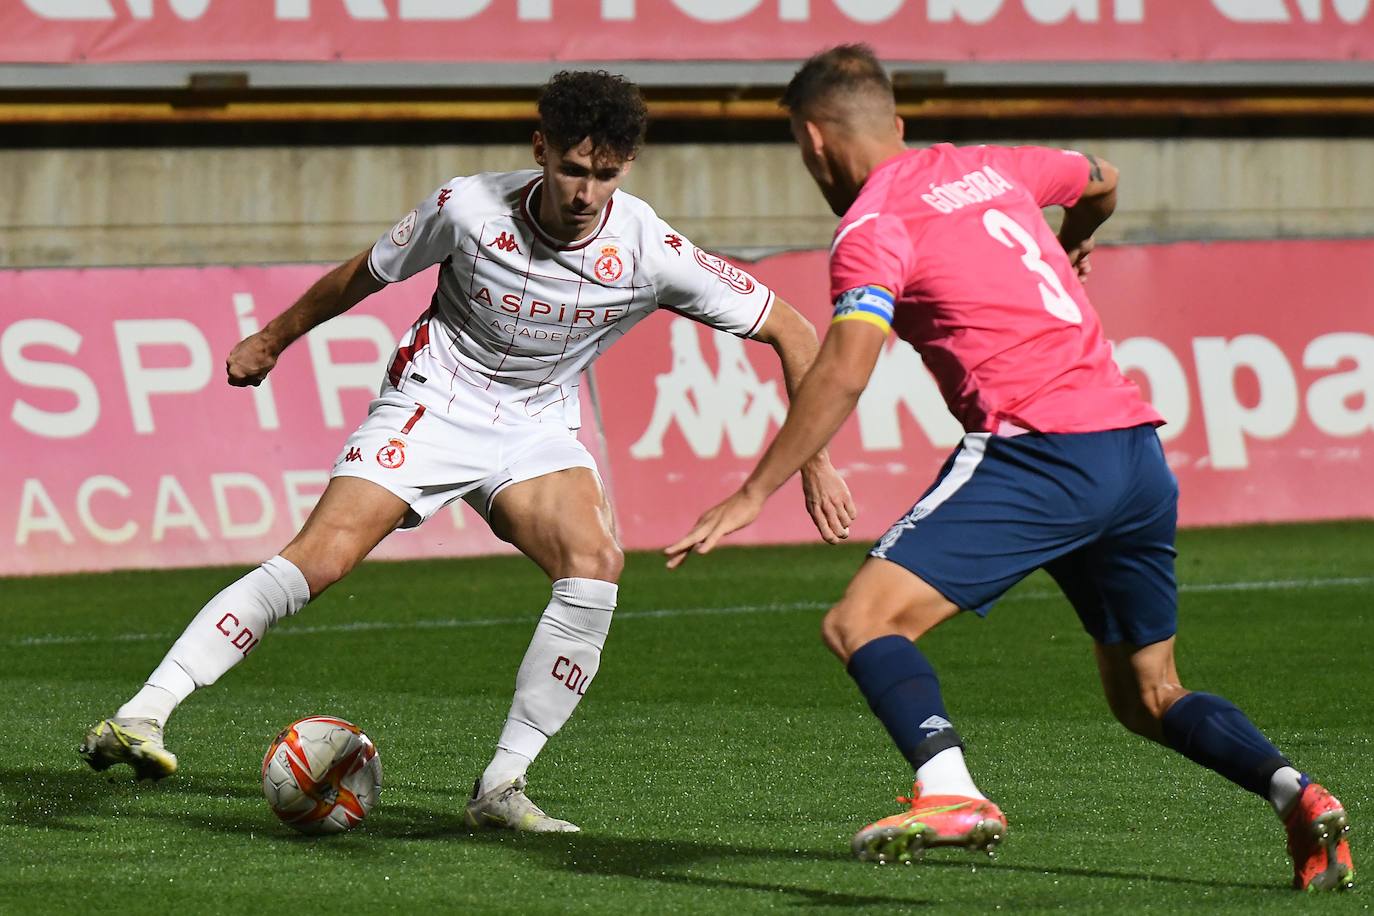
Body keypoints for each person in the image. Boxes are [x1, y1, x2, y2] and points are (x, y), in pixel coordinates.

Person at [80, 69, 853, 833]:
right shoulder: (468, 206)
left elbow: (792, 328)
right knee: (317, 559)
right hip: (432, 403)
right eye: (572, 169)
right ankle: (142, 715)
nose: (586, 193)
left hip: (536, 428)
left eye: (606, 175)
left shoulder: (650, 250)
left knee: (596, 564)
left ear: (628, 167)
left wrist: (813, 459)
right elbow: (366, 273)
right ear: (540, 146)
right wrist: (274, 338)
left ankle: (502, 784)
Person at [666, 44, 1354, 891]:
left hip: (1038, 452)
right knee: (1149, 695)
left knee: (862, 624)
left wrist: (754, 491)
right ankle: (1297, 792)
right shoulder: (993, 167)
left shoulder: (873, 226)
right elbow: (1101, 175)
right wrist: (1077, 241)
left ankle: (949, 789)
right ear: (901, 123)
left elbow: (847, 366)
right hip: (1134, 452)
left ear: (812, 142)